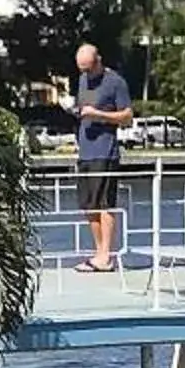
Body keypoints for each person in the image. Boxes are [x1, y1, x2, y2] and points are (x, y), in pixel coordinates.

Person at [73, 41, 133, 272]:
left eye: (88, 69)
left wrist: (98, 114)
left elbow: (127, 116)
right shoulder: (82, 80)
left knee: (105, 202)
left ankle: (106, 255)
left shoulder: (115, 82)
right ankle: (99, 253)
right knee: (88, 205)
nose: (85, 74)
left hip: (105, 151)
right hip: (85, 151)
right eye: (82, 70)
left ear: (98, 61)